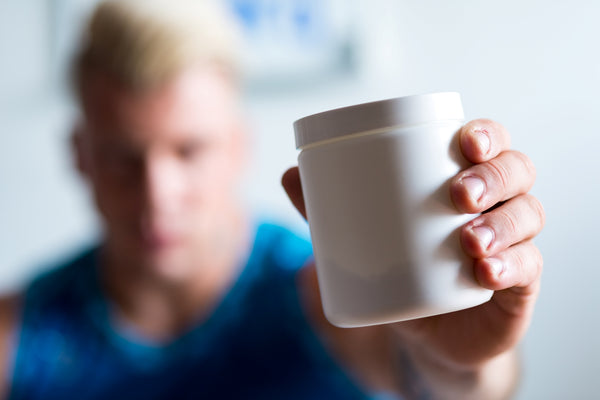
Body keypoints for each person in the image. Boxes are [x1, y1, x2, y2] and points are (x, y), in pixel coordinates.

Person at [0, 0, 545, 399]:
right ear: (80, 155)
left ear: (238, 146)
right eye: (123, 157)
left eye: (189, 151)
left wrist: (471, 358)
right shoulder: (19, 336)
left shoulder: (329, 295)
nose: (157, 194)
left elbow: (441, 377)